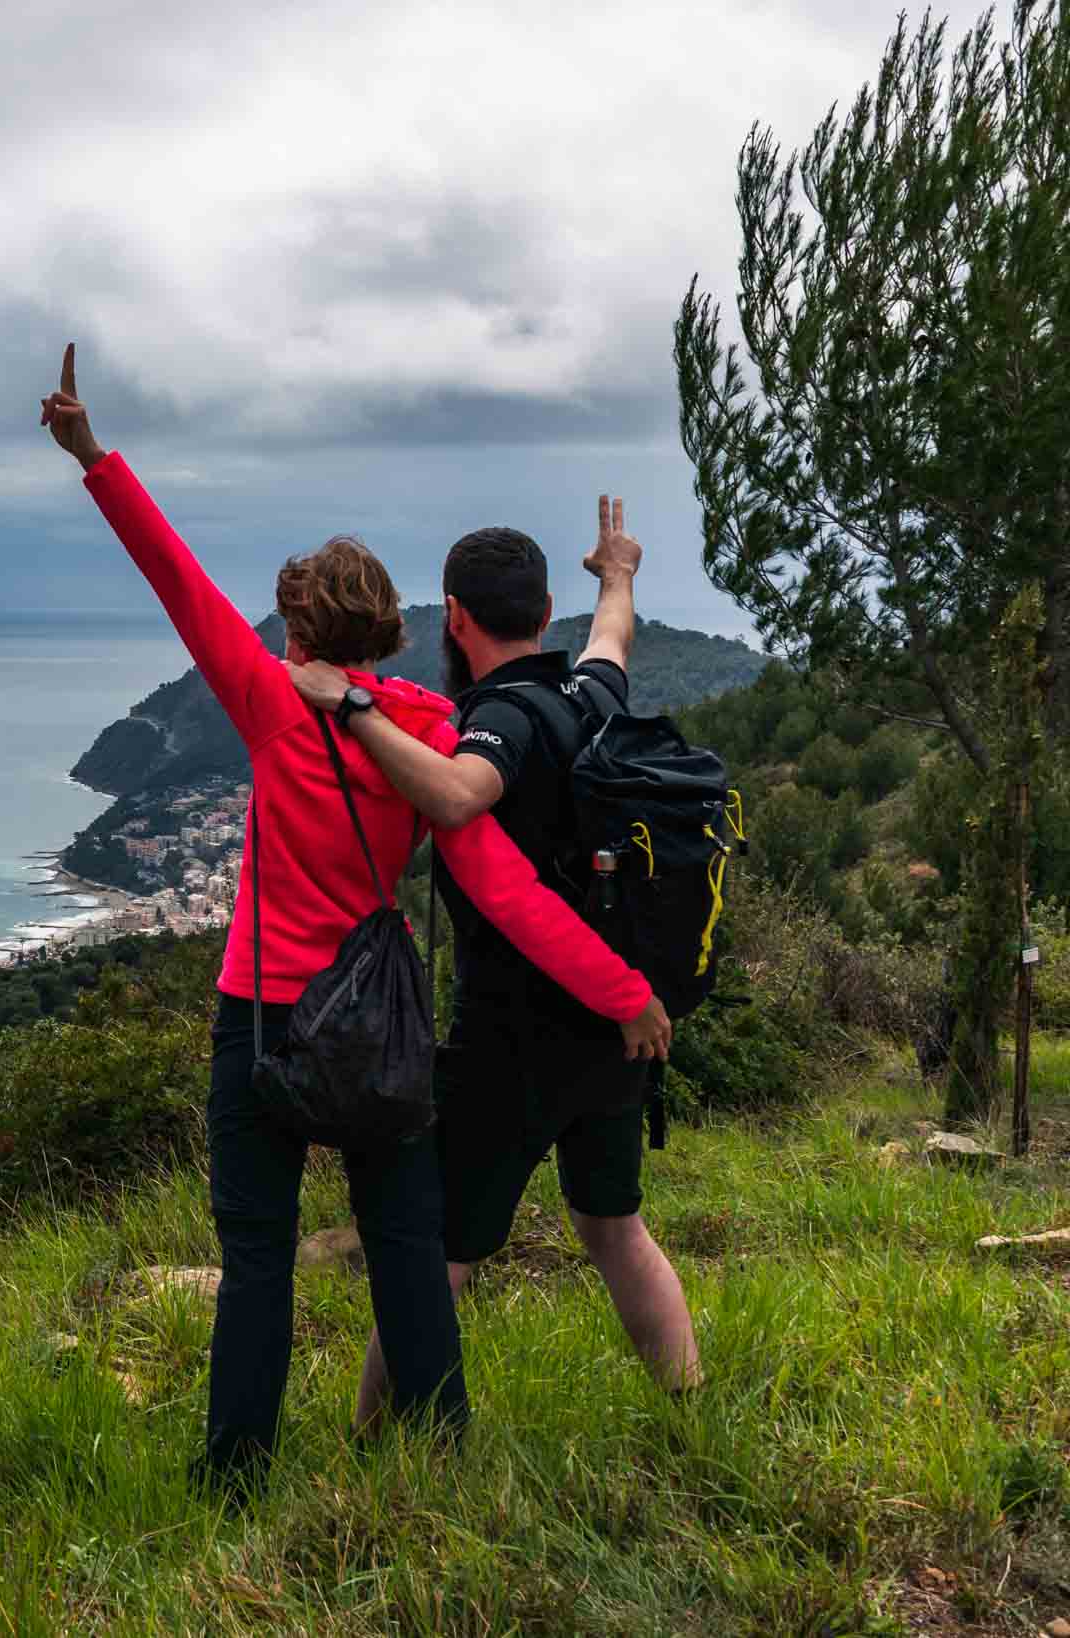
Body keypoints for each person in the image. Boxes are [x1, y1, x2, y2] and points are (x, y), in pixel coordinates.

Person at [41, 346, 672, 1491]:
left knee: (257, 1262)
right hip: (378, 1029)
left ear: (295, 633)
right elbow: (509, 895)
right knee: (402, 1250)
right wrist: (624, 992)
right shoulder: (430, 734)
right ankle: (436, 1456)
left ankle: (234, 1479)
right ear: (387, 636)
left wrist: (95, 457)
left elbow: (173, 577)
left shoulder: (274, 704)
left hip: (261, 1024)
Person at [287, 506, 703, 1431]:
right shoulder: (587, 695)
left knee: (433, 1252)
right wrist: (619, 571)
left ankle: (371, 1441)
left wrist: (350, 703)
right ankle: (688, 1414)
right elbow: (613, 637)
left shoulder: (500, 722)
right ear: (544, 609)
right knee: (613, 1227)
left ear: (456, 617)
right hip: (616, 1031)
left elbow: (457, 795)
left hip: (517, 1036)